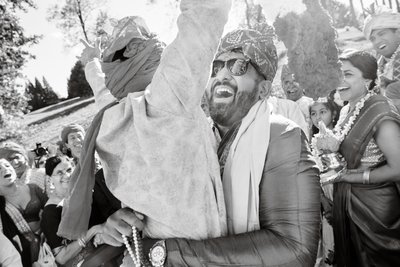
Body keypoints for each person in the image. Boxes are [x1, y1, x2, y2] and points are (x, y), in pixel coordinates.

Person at [96, 22, 321, 267]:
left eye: (238, 66)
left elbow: (295, 251)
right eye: (215, 67)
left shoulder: (281, 135)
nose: (222, 75)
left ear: (263, 89)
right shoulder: (190, 139)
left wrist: (166, 253)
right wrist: (126, 224)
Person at [59, 0, 230, 253]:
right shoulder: (166, 99)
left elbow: (101, 89)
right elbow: (202, 18)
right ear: (137, 48)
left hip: (154, 254)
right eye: (150, 38)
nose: (159, 46)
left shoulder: (109, 120)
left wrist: (91, 62)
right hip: (205, 256)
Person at [317, 49, 400, 266]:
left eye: (348, 74)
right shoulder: (346, 110)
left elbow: (398, 168)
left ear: (368, 79)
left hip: (375, 209)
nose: (340, 80)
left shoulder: (380, 111)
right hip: (347, 201)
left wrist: (352, 177)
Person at [41, 156, 103, 266]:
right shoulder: (50, 212)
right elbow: (61, 257)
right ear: (50, 179)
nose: (67, 175)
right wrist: (93, 231)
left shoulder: (87, 192)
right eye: (59, 173)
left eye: (69, 170)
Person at [0, 158, 48, 266]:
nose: (4, 169)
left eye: (7, 165)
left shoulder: (33, 188)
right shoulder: (1, 205)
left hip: (49, 239)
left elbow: (52, 209)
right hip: (24, 256)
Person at [363, 5, 400, 108]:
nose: (377, 41)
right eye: (373, 39)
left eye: (382, 34)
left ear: (398, 33)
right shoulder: (379, 65)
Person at [281, 64, 314, 130]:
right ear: (282, 86)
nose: (291, 85)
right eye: (287, 82)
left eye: (295, 81)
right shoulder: (280, 106)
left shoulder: (309, 104)